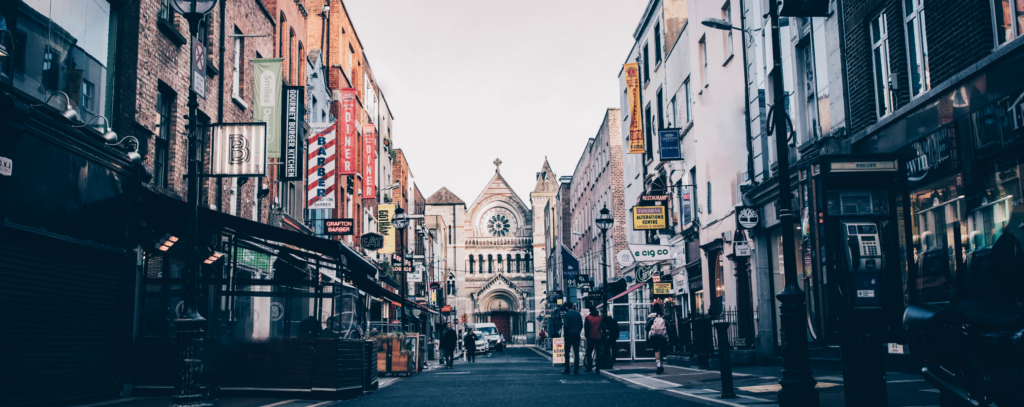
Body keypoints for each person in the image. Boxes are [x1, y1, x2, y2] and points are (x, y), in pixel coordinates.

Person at [646, 303, 669, 374]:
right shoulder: (664, 316)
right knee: (662, 350)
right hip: (663, 336)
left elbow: (646, 327)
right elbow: (669, 325)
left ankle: (658, 365)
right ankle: (661, 364)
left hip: (653, 336)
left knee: (656, 350)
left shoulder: (650, 316)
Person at [561, 302, 583, 375]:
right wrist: (578, 332)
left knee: (567, 352)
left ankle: (567, 369)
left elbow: (566, 326)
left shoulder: (566, 314)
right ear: (573, 306)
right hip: (577, 334)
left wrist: (565, 335)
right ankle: (576, 370)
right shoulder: (578, 314)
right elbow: (581, 325)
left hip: (569, 335)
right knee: (576, 352)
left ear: (567, 307)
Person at [583, 307, 603, 373]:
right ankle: (598, 368)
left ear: (590, 310)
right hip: (599, 337)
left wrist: (586, 336)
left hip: (590, 337)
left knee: (589, 352)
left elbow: (586, 327)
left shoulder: (588, 318)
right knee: (598, 353)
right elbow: (603, 327)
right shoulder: (600, 317)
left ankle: (589, 367)